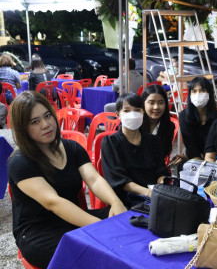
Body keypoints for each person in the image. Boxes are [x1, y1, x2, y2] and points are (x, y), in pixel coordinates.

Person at [7, 91, 127, 268]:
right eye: (35, 122)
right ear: (22, 128)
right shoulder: (20, 162)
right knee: (98, 253)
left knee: (129, 218)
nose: (46, 124)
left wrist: (115, 202)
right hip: (39, 233)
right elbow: (53, 202)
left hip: (73, 220)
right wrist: (101, 227)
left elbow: (94, 179)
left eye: (47, 115)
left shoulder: (71, 148)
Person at [101, 93, 170, 208]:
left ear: (143, 113)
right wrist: (148, 192)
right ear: (118, 115)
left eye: (137, 110)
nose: (132, 115)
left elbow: (161, 171)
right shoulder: (110, 143)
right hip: (125, 201)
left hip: (154, 196)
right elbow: (118, 179)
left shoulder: (153, 141)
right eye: (127, 111)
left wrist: (162, 186)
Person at [179, 76, 217, 160]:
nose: (198, 94)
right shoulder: (184, 116)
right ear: (190, 95)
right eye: (194, 91)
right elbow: (190, 145)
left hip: (215, 159)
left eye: (203, 90)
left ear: (209, 93)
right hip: (194, 158)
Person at [141, 84, 175, 157]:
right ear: (143, 104)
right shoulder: (136, 125)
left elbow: (164, 153)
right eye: (151, 103)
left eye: (161, 102)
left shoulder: (169, 126)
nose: (156, 107)